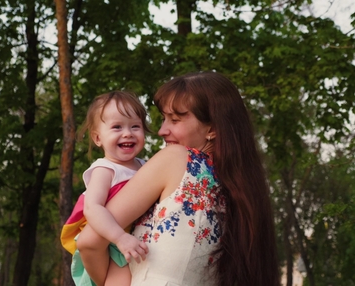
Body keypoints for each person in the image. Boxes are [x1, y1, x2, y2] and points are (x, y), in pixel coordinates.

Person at [77, 72, 280, 286]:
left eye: (175, 120)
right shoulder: (241, 190)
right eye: (164, 119)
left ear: (211, 128)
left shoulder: (176, 159)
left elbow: (89, 241)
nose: (162, 130)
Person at [60, 91, 150, 286]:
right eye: (117, 127)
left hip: (138, 238)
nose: (128, 133)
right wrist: (120, 238)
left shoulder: (146, 166)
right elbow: (92, 208)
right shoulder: (105, 169)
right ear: (98, 138)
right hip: (110, 245)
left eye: (135, 126)